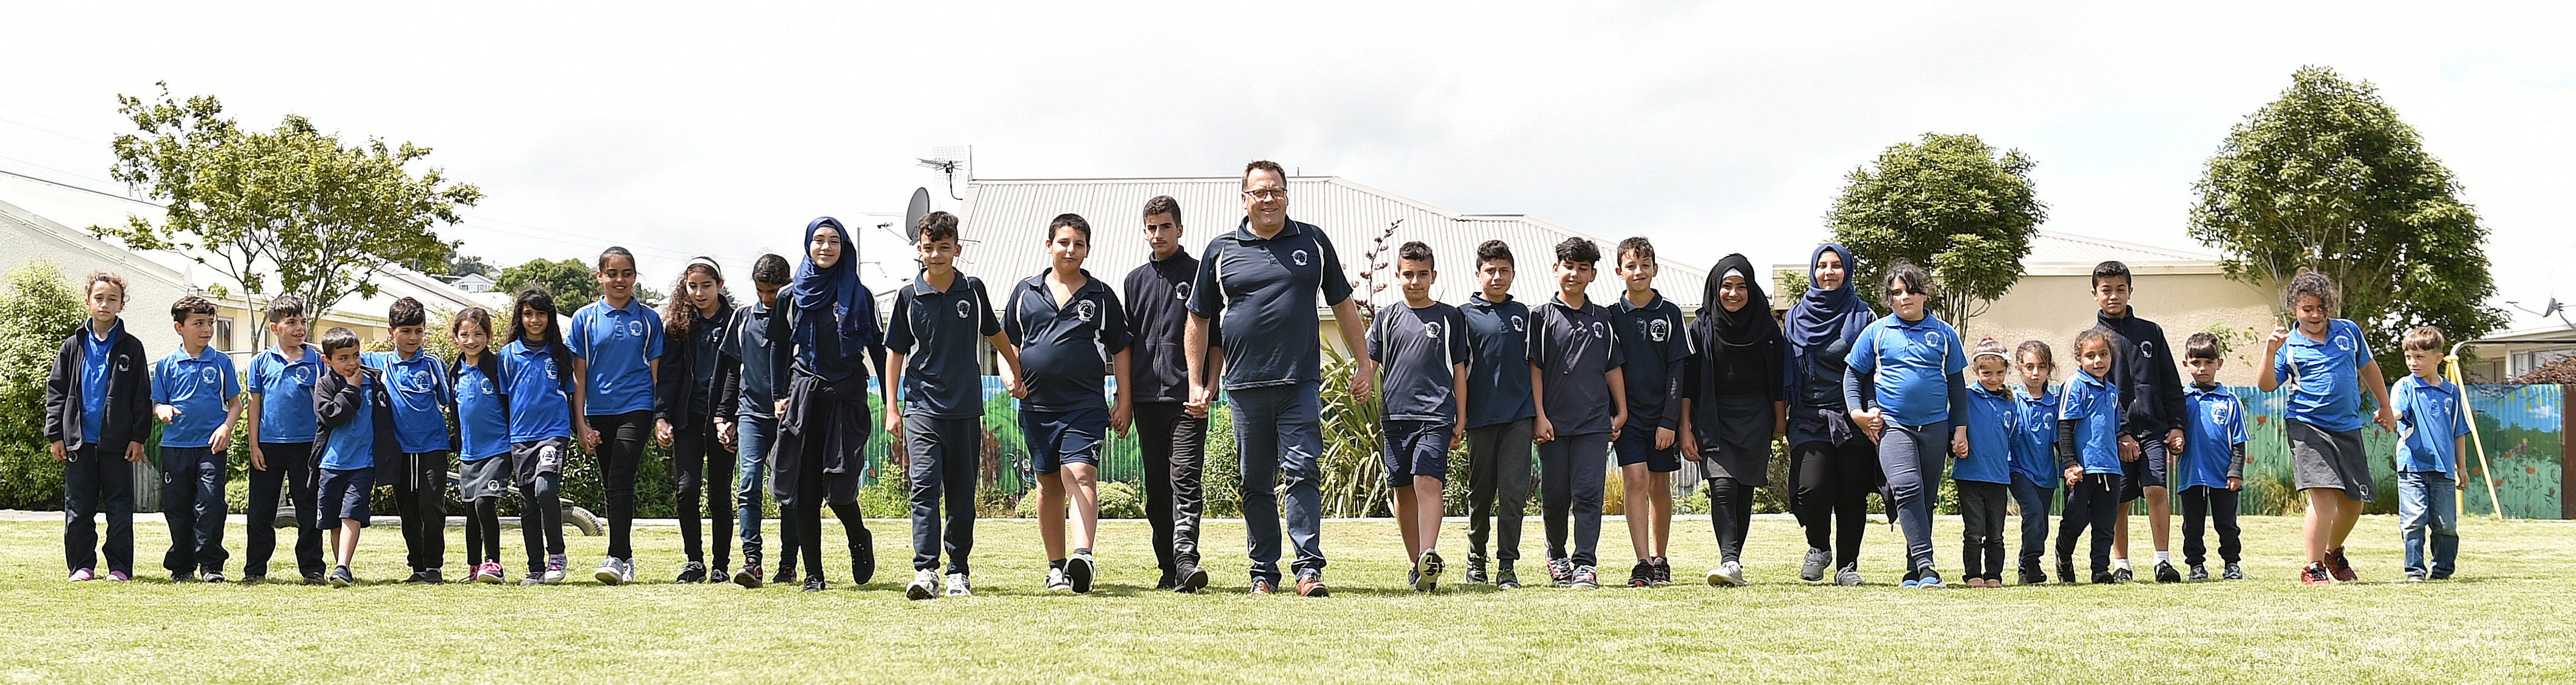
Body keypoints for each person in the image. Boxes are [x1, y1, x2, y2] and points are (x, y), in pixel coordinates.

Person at [1185, 160, 1373, 597]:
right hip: (1245, 386)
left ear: (1287, 194)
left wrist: (1364, 363)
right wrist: (1196, 381)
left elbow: (1344, 305)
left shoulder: (1313, 241)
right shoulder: (1221, 250)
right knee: (1255, 481)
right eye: (1259, 192)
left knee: (1303, 470)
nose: (1268, 199)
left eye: (1276, 191)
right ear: (1245, 198)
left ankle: (1309, 570)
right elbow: (1198, 318)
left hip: (1300, 383)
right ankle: (1263, 573)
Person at [887, 211, 1019, 599]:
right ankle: (925, 571)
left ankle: (958, 570)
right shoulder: (908, 297)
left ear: (957, 250)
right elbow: (895, 352)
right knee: (924, 487)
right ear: (919, 251)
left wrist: (1015, 370)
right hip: (922, 408)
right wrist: (893, 407)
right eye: (930, 248)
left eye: (945, 248)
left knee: (962, 493)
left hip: (965, 409)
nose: (937, 255)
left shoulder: (973, 291)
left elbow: (996, 334)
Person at [1004, 213, 1132, 594]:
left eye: (1079, 244)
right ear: (1049, 246)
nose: (1071, 250)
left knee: (1080, 473)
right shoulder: (1026, 292)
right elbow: (1006, 341)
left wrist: (1124, 398)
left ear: (1088, 250)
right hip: (1038, 407)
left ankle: (1083, 557)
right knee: (1047, 486)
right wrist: (1010, 373)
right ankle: (1056, 568)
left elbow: (1121, 348)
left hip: (1085, 406)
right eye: (1064, 242)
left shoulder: (1101, 295)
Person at [780, 217, 896, 593]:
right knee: (807, 487)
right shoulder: (791, 295)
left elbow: (878, 349)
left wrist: (890, 398)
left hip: (846, 398)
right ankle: (814, 572)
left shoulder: (859, 295)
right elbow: (780, 348)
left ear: (844, 247)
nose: (826, 247)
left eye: (834, 241)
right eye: (819, 240)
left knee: (839, 489)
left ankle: (858, 536)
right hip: (805, 396)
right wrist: (780, 395)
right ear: (808, 246)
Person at [2259, 270, 2397, 585]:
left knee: (2354, 503)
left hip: (2347, 426)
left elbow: (2369, 367)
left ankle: (2333, 552)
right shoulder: (2289, 345)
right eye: (2308, 309)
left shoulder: (2348, 332)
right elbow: (2267, 385)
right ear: (2294, 307)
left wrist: (2385, 405)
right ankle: (2314, 566)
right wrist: (2270, 352)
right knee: (2325, 499)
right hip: (2307, 426)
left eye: (2322, 308)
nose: (2316, 315)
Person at [1842, 262, 1968, 589]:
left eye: (1911, 290)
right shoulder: (1877, 332)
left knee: (1925, 498)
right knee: (1906, 486)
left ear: (1924, 294)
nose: (1905, 297)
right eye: (1896, 293)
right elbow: (1854, 375)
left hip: (1936, 425)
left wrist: (1961, 428)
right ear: (1889, 299)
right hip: (1893, 426)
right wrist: (1858, 413)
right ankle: (1928, 567)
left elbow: (1956, 384)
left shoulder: (1944, 334)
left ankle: (1914, 570)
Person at [1122, 195, 1220, 592]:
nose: (1158, 234)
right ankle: (1169, 567)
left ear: (1180, 229)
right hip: (1146, 401)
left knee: (1185, 480)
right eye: (1152, 228)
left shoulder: (1201, 276)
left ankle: (1186, 562)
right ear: (1145, 232)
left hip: (1188, 401)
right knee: (1158, 489)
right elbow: (1124, 349)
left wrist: (1209, 389)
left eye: (1166, 226)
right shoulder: (1133, 282)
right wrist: (1124, 400)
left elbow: (1217, 342)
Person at [1368, 241, 1470, 592]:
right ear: (1397, 276)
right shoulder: (1386, 317)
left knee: (1427, 481)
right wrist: (1362, 379)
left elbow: (1459, 371)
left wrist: (1461, 417)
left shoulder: (1449, 317)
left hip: (1436, 415)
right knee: (1402, 489)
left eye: (1422, 275)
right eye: (1408, 275)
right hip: (1395, 417)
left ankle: (1430, 552)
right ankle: (1417, 566)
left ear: (1433, 276)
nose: (1415, 281)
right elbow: (1372, 362)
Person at [1677, 254, 1783, 587]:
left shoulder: (1767, 329)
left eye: (1741, 286)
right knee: (1722, 485)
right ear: (1715, 288)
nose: (1734, 293)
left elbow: (1778, 379)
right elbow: (1688, 384)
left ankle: (1733, 558)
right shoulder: (1700, 328)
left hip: (1755, 417)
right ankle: (1729, 559)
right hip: (1713, 415)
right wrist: (1685, 428)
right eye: (1726, 286)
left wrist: (1780, 422)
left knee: (1744, 490)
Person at [1528, 237, 1628, 590]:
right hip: (1553, 423)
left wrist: (1623, 411)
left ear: (1593, 275)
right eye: (1568, 266)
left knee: (1588, 494)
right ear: (1556, 269)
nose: (1574, 274)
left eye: (1582, 268)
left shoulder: (1603, 318)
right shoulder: (1540, 317)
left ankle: (1586, 563)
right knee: (1556, 496)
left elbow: (1612, 367)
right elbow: (1535, 369)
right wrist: (1539, 415)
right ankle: (1556, 555)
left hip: (1593, 423)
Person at [1783, 245, 1879, 586]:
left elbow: (1871, 372)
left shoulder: (1864, 317)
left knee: (1852, 492)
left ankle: (1847, 566)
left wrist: (1869, 413)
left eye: (1836, 266)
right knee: (1813, 486)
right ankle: (1818, 547)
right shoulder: (1795, 316)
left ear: (1847, 271)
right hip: (1808, 416)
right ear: (1813, 271)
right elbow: (1786, 369)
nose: (1828, 272)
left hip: (1853, 416)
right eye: (1822, 266)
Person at [47, 271, 151, 583]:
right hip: (79, 442)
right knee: (79, 510)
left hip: (118, 444)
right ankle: (81, 565)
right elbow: (57, 392)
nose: (105, 304)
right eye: (99, 298)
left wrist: (138, 437)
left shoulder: (132, 347)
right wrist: (56, 435)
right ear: (89, 301)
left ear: (121, 305)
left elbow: (141, 396)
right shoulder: (72, 346)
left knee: (119, 510)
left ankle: (120, 567)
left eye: (112, 299)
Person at [2089, 261, 2189, 583]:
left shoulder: (2151, 333)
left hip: (2153, 431)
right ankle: (2122, 564)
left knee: (2156, 489)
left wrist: (2177, 425)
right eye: (2107, 290)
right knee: (2120, 499)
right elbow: (2096, 393)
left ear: (2131, 291)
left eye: (2121, 289)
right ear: (2095, 295)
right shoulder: (2094, 343)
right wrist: (2120, 433)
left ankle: (2163, 561)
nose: (2114, 296)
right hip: (2115, 436)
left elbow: (2171, 382)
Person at [571, 246, 663, 586]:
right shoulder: (584, 319)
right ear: (600, 277)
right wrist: (580, 423)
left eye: (627, 274)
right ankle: (626, 558)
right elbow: (578, 375)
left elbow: (656, 375)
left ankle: (615, 554)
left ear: (635, 277)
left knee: (621, 479)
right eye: (612, 274)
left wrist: (659, 417)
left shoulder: (649, 320)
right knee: (612, 485)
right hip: (598, 411)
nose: (620, 280)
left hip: (636, 407)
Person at [1609, 237, 1689, 588]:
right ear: (1619, 271)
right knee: (1635, 480)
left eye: (1645, 265)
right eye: (1631, 266)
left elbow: (1678, 371)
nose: (1638, 272)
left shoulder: (1670, 314)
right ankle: (1641, 561)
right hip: (1628, 418)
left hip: (1662, 420)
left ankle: (1660, 558)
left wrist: (1669, 421)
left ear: (1656, 270)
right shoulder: (1610, 316)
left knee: (1658, 484)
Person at [1457, 240, 1537, 589]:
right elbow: (1456, 369)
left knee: (1513, 494)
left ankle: (1507, 566)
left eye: (1504, 271)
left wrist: (1540, 415)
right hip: (1480, 418)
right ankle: (1476, 560)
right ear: (1479, 274)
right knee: (1481, 493)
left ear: (1513, 274)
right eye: (1490, 271)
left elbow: (1536, 366)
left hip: (1519, 416)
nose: (1497, 277)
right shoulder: (1463, 315)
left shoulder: (1524, 315)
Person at [657, 258, 739, 583]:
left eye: (707, 285)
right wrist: (662, 417)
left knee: (720, 493)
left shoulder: (736, 321)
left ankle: (721, 565)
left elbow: (737, 373)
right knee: (687, 490)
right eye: (693, 286)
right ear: (685, 287)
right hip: (688, 418)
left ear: (719, 286)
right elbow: (668, 375)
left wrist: (727, 416)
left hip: (724, 421)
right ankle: (694, 561)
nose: (700, 292)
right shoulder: (677, 325)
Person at [363, 297, 455, 584]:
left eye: (419, 330)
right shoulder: (379, 363)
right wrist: (302, 347)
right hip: (399, 451)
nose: (413, 337)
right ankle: (417, 566)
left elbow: (452, 402)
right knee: (408, 507)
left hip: (433, 446)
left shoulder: (433, 364)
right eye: (406, 331)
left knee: (431, 505)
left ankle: (434, 566)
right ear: (392, 332)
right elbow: (341, 352)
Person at [153, 295, 242, 583]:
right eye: (199, 323)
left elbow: (236, 403)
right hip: (175, 448)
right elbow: (157, 403)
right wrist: (162, 409)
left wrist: (226, 427)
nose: (207, 330)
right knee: (178, 508)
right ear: (180, 328)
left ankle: (212, 566)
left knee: (211, 505)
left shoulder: (221, 362)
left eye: (210, 323)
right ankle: (182, 566)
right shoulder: (167, 364)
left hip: (210, 448)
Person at [722, 254, 798, 587]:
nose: (767, 299)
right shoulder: (741, 318)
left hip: (789, 417)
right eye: (761, 291)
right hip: (751, 414)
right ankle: (752, 561)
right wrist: (723, 416)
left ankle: (789, 565)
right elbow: (729, 370)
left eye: (774, 291)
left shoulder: (800, 317)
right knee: (749, 484)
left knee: (788, 492)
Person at [243, 295, 326, 585]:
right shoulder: (260, 363)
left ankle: (313, 569)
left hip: (307, 446)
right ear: (275, 328)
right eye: (292, 323)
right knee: (261, 511)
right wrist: (254, 446)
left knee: (309, 509)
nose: (300, 328)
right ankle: (255, 570)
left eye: (303, 322)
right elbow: (254, 405)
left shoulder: (318, 361)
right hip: (268, 446)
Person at [503, 286, 579, 585]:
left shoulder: (562, 354)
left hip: (554, 433)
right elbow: (503, 400)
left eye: (541, 314)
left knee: (546, 490)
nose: (535, 320)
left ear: (550, 317)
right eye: (528, 314)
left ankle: (557, 555)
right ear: (520, 318)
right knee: (528, 505)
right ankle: (535, 567)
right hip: (520, 437)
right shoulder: (508, 356)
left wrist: (580, 428)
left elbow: (574, 396)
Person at [314, 326, 394, 588]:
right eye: (343, 358)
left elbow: (384, 419)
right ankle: (342, 568)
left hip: (363, 463)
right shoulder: (325, 385)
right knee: (334, 518)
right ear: (328, 361)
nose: (352, 363)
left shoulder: (373, 382)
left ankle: (343, 566)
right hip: (330, 463)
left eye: (356, 356)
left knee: (352, 514)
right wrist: (351, 389)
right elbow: (330, 415)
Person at [2391, 326, 2468, 582]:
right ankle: (2415, 571)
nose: (2413, 363)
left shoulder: (2452, 393)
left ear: (2438, 359)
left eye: (2420, 357)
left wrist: (2462, 468)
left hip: (2444, 470)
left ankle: (2443, 570)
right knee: (2413, 520)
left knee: (2446, 524)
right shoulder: (2405, 386)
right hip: (2412, 466)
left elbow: (2459, 432)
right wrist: (2388, 416)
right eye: (2409, 357)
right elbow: (2398, 412)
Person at [448, 306, 516, 584]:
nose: (471, 340)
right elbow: (455, 412)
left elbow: (511, 405)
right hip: (469, 453)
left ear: (488, 336)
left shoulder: (497, 367)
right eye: (465, 334)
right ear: (456, 338)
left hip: (498, 449)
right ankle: (474, 566)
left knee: (485, 503)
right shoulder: (455, 372)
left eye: (478, 334)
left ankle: (494, 563)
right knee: (472, 511)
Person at [2177, 332, 2250, 582]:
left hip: (2223, 478)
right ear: (2186, 363)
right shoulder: (2181, 401)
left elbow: (2239, 442)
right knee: (2193, 525)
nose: (2202, 368)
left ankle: (2232, 564)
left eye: (2208, 362)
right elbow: (2172, 435)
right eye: (2196, 362)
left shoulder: (2231, 401)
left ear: (2219, 363)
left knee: (2227, 525)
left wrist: (2236, 472)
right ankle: (2196, 565)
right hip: (2191, 476)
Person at [2056, 326, 2126, 584]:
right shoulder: (2076, 385)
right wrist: (2071, 464)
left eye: (2104, 354)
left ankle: (2100, 570)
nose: (2098, 361)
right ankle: (2063, 556)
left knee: (2105, 523)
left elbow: (2114, 430)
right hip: (2084, 469)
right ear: (2080, 359)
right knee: (2075, 519)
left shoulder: (2112, 391)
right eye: (2091, 356)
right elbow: (2065, 427)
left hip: (2111, 469)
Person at [1953, 338, 2016, 588]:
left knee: (1996, 533)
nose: (1993, 378)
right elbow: (1954, 431)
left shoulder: (2010, 402)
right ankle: (1973, 575)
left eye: (2000, 373)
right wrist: (1957, 444)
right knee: (1974, 530)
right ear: (1976, 371)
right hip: (1970, 475)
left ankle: (1994, 576)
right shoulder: (1966, 398)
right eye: (1987, 373)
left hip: (1999, 477)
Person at [2008, 341, 2062, 585]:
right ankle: (2032, 562)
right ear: (2019, 368)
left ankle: (2025, 569)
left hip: (2046, 474)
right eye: (2029, 366)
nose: (2035, 373)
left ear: (2049, 369)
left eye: (2041, 367)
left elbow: (2062, 440)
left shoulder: (2055, 403)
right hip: (2018, 470)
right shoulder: (2010, 398)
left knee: (2041, 523)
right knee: (2033, 512)